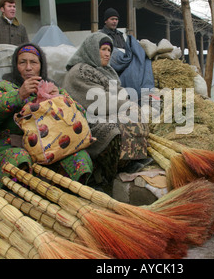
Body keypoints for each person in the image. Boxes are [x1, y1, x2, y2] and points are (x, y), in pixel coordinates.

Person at [0, 43, 93, 187]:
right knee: (19, 158)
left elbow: (82, 119)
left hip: (50, 152)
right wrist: (18, 95)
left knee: (79, 158)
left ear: (41, 66)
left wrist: (60, 101)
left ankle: (66, 199)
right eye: (22, 62)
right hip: (9, 148)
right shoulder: (4, 87)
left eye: (34, 62)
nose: (28, 67)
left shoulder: (53, 89)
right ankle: (16, 198)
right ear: (15, 66)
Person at [63, 32, 150, 189]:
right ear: (91, 49)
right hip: (85, 120)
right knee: (115, 129)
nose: (107, 54)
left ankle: (130, 162)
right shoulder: (80, 71)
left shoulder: (108, 71)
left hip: (107, 112)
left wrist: (130, 105)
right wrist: (126, 106)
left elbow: (121, 92)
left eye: (109, 50)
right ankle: (107, 175)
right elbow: (98, 101)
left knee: (136, 117)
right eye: (103, 49)